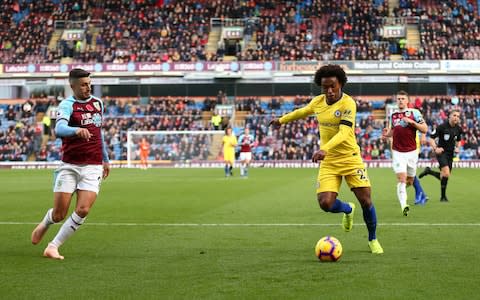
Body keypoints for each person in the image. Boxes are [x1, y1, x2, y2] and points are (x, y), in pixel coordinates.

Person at [270, 64, 383, 254]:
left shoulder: (348, 104)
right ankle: (347, 209)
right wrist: (281, 120)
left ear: (341, 84)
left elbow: (345, 132)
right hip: (330, 161)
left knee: (366, 201)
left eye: (333, 86)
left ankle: (372, 239)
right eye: (325, 87)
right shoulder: (318, 102)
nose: (329, 91)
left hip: (350, 159)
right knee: (325, 204)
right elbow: (301, 112)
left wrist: (324, 148)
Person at [31, 68, 110, 260]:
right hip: (70, 165)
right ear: (72, 85)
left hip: (93, 166)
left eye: (89, 83)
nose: (87, 87)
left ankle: (53, 246)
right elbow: (59, 128)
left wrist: (105, 159)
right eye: (83, 84)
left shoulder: (98, 103)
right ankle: (46, 222)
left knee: (83, 209)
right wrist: (76, 130)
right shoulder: (67, 105)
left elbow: (98, 133)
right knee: (59, 214)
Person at [382, 91, 428, 216]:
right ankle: (404, 205)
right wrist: (386, 135)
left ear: (407, 101)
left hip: (412, 152)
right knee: (402, 178)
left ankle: (401, 189)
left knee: (410, 180)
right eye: (398, 99)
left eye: (403, 98)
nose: (400, 101)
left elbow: (425, 129)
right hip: (397, 152)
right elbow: (392, 131)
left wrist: (412, 122)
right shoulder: (393, 115)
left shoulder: (415, 113)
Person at [419, 109, 463, 202]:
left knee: (445, 176)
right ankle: (443, 197)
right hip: (441, 152)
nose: (456, 118)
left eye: (458, 116)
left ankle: (429, 171)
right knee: (446, 173)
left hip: (451, 154)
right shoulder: (442, 127)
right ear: (449, 116)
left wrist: (457, 147)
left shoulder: (458, 129)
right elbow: (431, 138)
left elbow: (458, 140)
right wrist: (436, 149)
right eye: (454, 115)